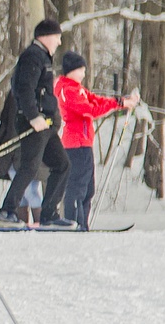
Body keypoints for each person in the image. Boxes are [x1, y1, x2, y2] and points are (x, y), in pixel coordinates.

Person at [0, 19, 74, 229]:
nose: (59, 41)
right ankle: (7, 211)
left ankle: (48, 215)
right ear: (46, 36)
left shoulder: (43, 57)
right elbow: (24, 89)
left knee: (61, 164)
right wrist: (32, 116)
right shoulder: (33, 56)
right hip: (34, 123)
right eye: (57, 37)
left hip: (46, 124)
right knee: (29, 167)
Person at [54, 50, 139, 230]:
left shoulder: (78, 89)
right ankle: (74, 223)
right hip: (76, 144)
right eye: (81, 69)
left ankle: (83, 223)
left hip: (85, 143)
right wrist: (118, 105)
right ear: (72, 70)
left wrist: (120, 102)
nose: (84, 73)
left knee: (88, 189)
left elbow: (96, 100)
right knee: (77, 187)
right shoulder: (68, 90)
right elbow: (89, 110)